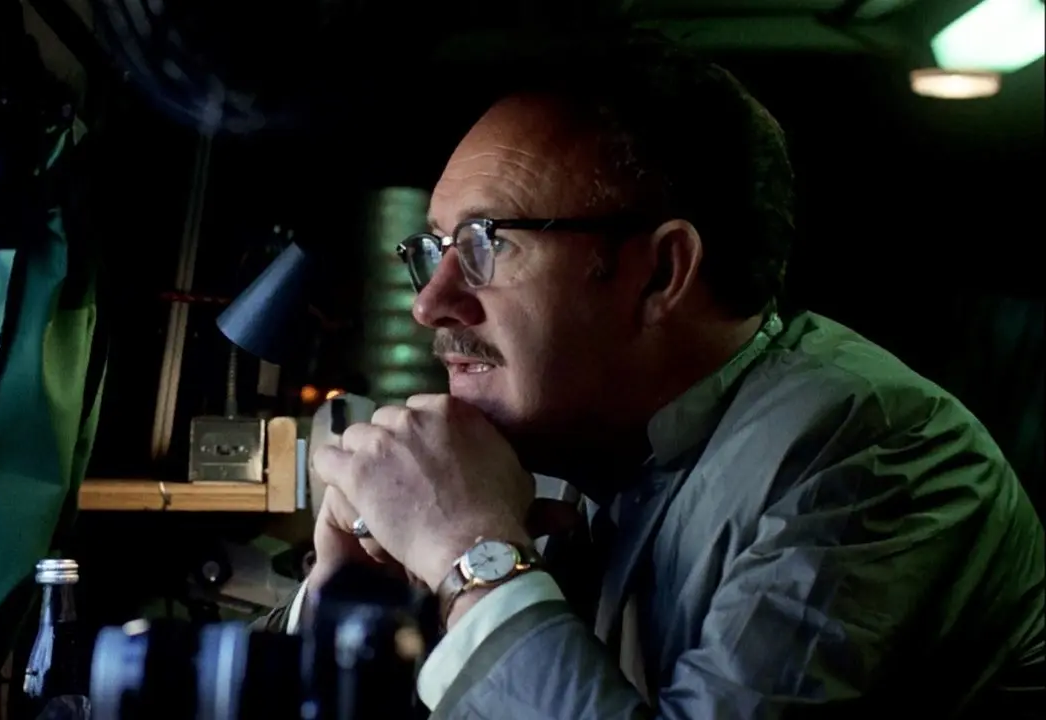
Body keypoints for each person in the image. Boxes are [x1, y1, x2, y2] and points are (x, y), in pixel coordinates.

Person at [256, 43, 1045, 718]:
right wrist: (346, 597)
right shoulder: (550, 446)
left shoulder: (876, 451)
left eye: (486, 242)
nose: (430, 303)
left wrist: (470, 556)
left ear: (662, 272)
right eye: (434, 250)